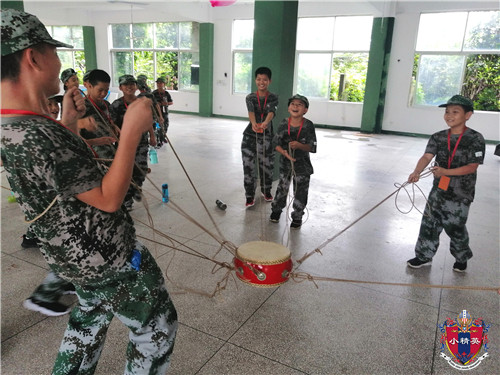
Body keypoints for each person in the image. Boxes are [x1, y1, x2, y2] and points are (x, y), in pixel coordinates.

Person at [1, 9, 177, 374]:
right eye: (53, 52)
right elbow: (108, 198)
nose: (60, 62)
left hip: (69, 257)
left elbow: (56, 175)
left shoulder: (14, 124)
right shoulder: (38, 133)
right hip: (106, 260)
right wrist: (131, 130)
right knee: (155, 328)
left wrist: (67, 123)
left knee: (88, 322)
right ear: (33, 57)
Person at [406, 95, 485, 272]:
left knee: (455, 226)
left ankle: (461, 257)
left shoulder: (475, 139)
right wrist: (417, 171)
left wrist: (445, 172)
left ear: (468, 115)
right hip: (439, 189)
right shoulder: (438, 137)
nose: (449, 115)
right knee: (429, 222)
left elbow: (472, 167)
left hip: (461, 193)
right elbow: (427, 156)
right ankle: (423, 255)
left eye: (455, 112)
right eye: (447, 112)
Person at [269, 95, 317, 229]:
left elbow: (312, 147)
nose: (295, 107)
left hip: (302, 164)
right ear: (288, 107)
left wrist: (300, 146)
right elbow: (275, 143)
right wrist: (283, 152)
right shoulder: (284, 123)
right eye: (293, 104)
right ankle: (276, 210)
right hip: (285, 163)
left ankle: (297, 216)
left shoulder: (308, 125)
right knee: (282, 188)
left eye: (300, 105)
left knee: (301, 190)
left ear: (305, 110)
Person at [111, 74, 157, 209]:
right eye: (126, 85)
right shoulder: (116, 105)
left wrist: (152, 136)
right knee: (126, 171)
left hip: (141, 141)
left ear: (136, 86)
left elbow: (148, 121)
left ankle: (137, 187)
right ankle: (127, 199)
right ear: (120, 87)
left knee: (142, 168)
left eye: (132, 84)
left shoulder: (141, 103)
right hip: (124, 144)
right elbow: (112, 124)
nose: (129, 87)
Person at [241, 66, 279, 208]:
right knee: (248, 166)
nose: (261, 82)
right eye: (258, 79)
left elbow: (271, 112)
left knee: (266, 165)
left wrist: (264, 123)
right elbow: (251, 111)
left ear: (269, 81)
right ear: (255, 80)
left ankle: (266, 191)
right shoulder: (250, 97)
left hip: (266, 136)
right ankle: (249, 196)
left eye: (264, 79)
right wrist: (253, 123)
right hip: (249, 137)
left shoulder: (273, 97)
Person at [81, 69, 119, 159]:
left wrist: (114, 126)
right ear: (90, 86)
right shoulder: (81, 107)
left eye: (106, 90)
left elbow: (110, 120)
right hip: (93, 153)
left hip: (110, 147)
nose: (103, 94)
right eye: (100, 90)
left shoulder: (106, 104)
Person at [152, 76, 173, 145]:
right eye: (158, 83)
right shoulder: (154, 93)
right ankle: (159, 139)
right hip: (157, 114)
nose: (159, 84)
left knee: (166, 125)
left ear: (164, 84)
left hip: (165, 113)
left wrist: (166, 103)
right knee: (158, 126)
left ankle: (163, 137)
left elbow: (171, 102)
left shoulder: (166, 93)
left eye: (161, 83)